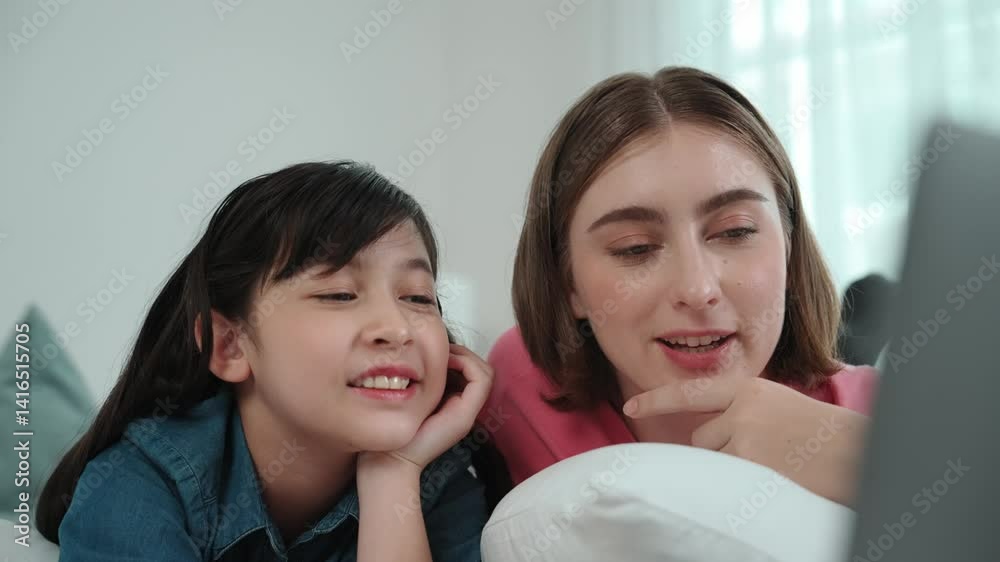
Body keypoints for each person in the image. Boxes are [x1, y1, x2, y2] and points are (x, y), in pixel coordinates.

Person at [38, 161, 493, 561]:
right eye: (339, 294)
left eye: (418, 297)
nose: (396, 328)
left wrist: (392, 473)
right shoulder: (135, 488)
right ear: (230, 346)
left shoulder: (440, 488)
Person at [482, 66, 878, 508]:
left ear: (789, 244)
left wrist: (875, 465)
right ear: (566, 283)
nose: (697, 288)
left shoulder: (883, 416)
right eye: (635, 248)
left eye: (736, 231)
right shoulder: (522, 384)